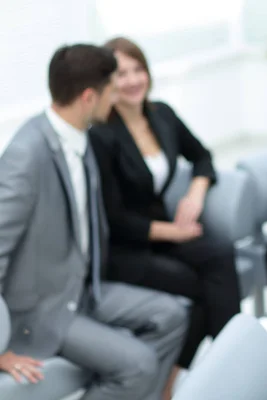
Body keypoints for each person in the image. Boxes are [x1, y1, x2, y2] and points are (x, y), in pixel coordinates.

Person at [0, 44, 188, 400]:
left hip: (86, 290)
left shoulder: (79, 135)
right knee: (140, 364)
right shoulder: (27, 155)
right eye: (111, 91)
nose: (115, 98)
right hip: (42, 311)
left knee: (172, 315)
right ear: (89, 97)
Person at [88, 37, 241, 398]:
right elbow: (114, 218)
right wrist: (174, 231)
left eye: (137, 69)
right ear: (107, 82)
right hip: (126, 248)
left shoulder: (162, 115)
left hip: (164, 235)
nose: (132, 80)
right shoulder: (101, 134)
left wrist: (195, 192)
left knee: (220, 253)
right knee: (202, 290)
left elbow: (202, 155)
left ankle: (217, 369)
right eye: (121, 73)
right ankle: (218, 375)